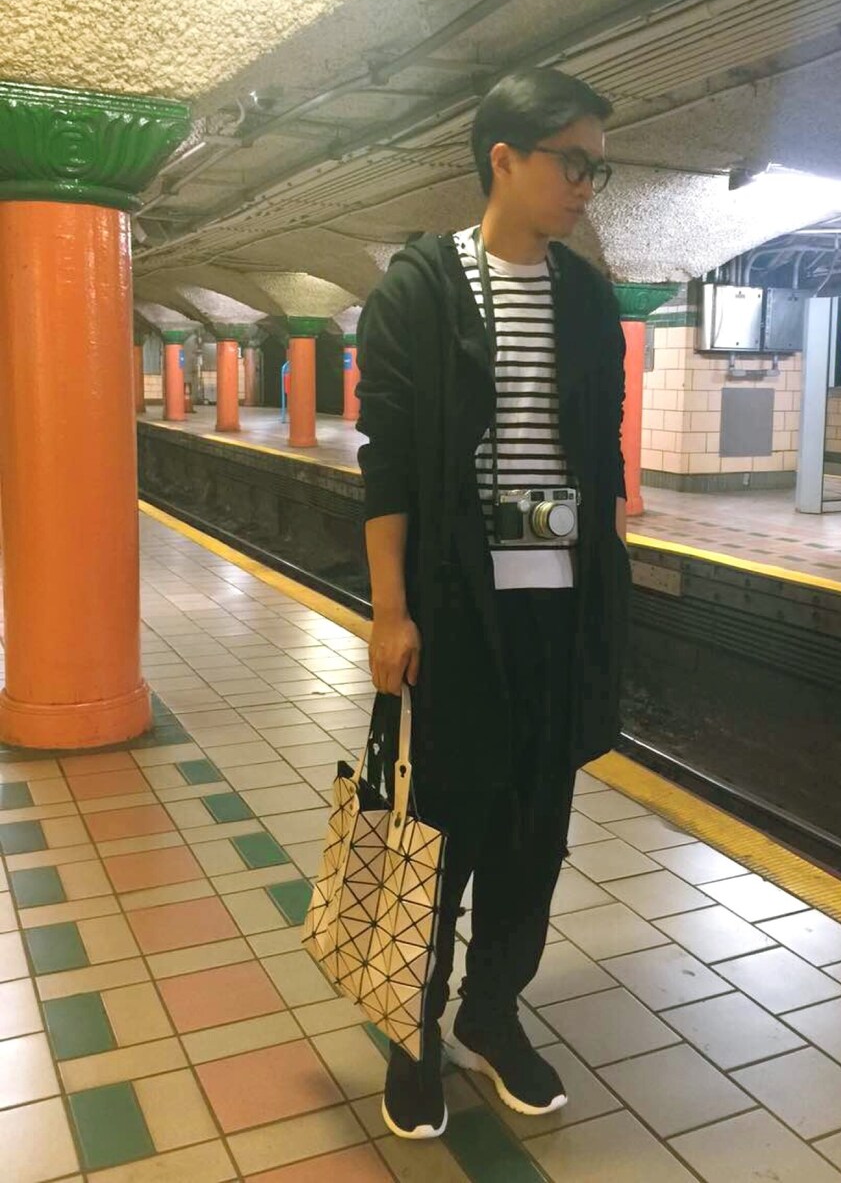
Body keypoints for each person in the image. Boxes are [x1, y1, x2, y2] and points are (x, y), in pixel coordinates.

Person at [355, 67, 631, 1140]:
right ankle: (412, 1027)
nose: (587, 184)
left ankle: (491, 1011)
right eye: (573, 162)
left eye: (598, 167)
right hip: (456, 605)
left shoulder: (588, 298)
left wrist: (603, 589)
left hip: (558, 605)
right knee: (444, 825)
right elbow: (386, 460)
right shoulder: (420, 289)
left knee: (534, 828)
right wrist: (390, 611)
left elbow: (598, 451)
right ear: (503, 158)